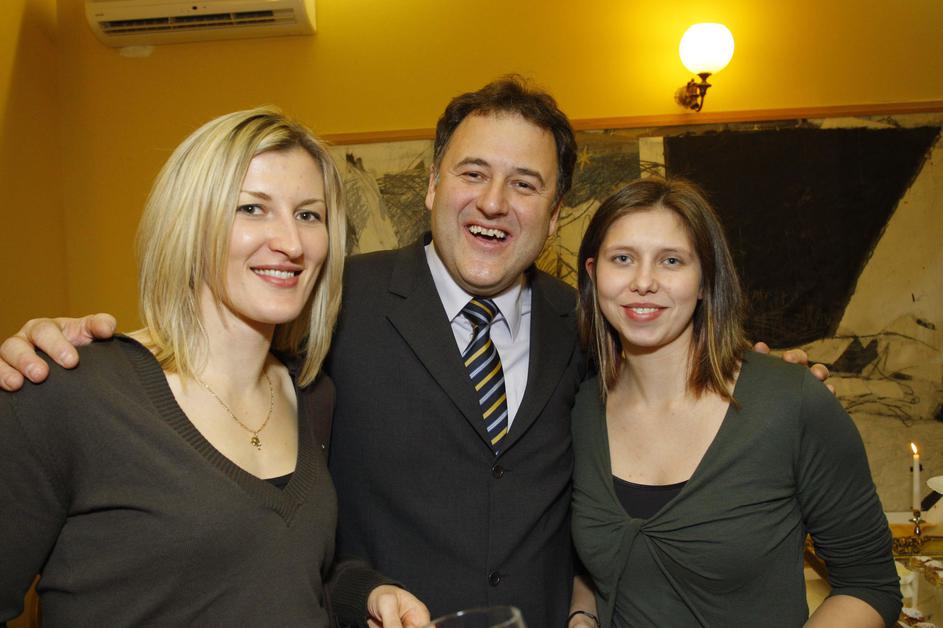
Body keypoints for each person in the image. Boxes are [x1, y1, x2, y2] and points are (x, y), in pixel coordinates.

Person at [0, 78, 829, 625]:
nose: (493, 202)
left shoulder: (588, 324)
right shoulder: (331, 300)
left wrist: (758, 379)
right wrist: (74, 341)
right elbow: (198, 348)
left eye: (525, 184)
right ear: (431, 184)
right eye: (471, 173)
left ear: (555, 215)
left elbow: (670, 378)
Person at [0, 108, 429, 627]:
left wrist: (365, 594)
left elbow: (279, 566)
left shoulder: (313, 396)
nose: (291, 243)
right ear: (190, 223)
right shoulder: (70, 390)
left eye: (308, 215)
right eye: (252, 208)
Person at [570, 177, 901, 626]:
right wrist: (582, 617)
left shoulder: (791, 402)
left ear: (705, 281)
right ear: (593, 274)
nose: (643, 282)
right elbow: (596, 564)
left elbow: (869, 584)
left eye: (671, 260)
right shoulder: (580, 411)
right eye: (623, 258)